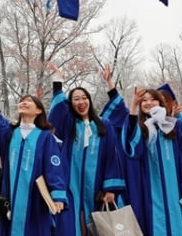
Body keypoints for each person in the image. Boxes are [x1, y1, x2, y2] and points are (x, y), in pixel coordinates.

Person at [0, 64, 67, 236]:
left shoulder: (45, 137)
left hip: (36, 202)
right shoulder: (9, 134)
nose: (24, 102)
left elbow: (54, 167)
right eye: (22, 101)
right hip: (9, 199)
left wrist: (57, 196)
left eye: (29, 101)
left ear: (39, 110)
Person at [46, 62, 124, 236]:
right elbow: (58, 110)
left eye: (84, 97)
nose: (81, 101)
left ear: (89, 100)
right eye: (76, 99)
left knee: (97, 226)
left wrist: (110, 188)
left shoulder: (104, 125)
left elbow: (112, 156)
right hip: (69, 183)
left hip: (96, 186)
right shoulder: (69, 123)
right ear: (71, 104)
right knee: (69, 224)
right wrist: (58, 80)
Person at [122, 87, 182, 236]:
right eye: (144, 100)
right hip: (151, 190)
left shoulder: (176, 125)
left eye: (152, 99)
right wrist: (133, 107)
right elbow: (132, 150)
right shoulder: (141, 129)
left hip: (178, 189)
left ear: (160, 102)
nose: (148, 103)